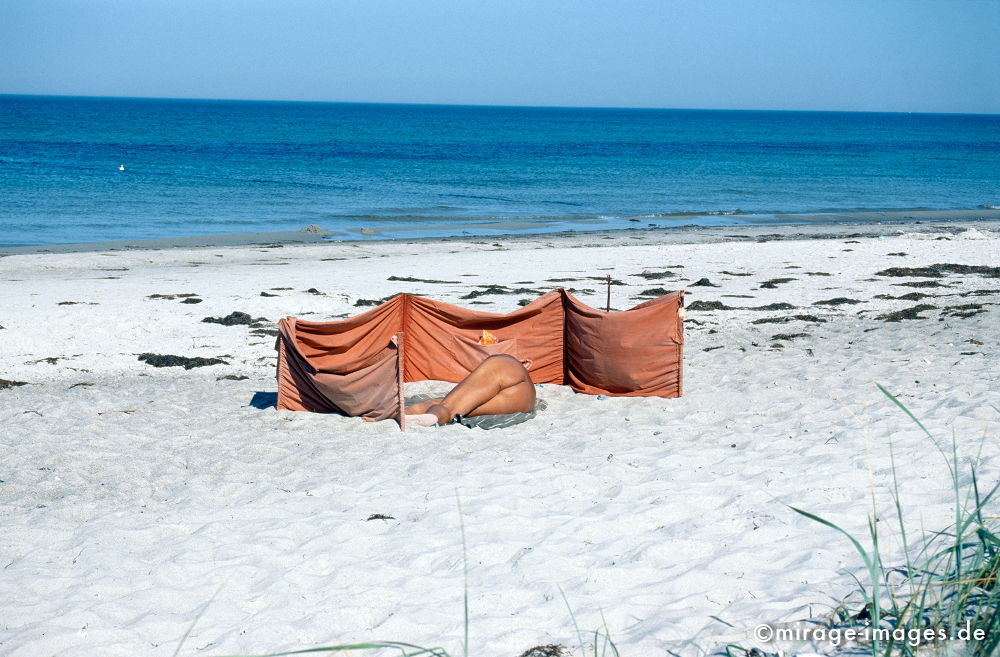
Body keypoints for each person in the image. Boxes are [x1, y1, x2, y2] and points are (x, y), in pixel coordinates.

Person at [405, 354, 535, 427]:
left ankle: (427, 416)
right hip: (524, 403)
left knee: (448, 406)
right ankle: (425, 416)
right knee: (446, 405)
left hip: (506, 366)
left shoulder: (503, 364)